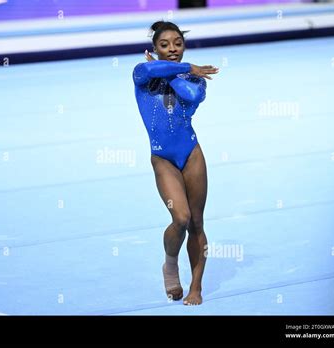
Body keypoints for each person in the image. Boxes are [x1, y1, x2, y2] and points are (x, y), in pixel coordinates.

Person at [132, 20, 219, 305]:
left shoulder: (194, 81)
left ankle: (196, 287)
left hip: (191, 154)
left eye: (178, 44)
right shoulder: (142, 75)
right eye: (165, 45)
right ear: (154, 48)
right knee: (179, 218)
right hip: (163, 158)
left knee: (196, 223)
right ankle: (170, 264)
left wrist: (181, 72)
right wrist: (185, 67)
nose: (172, 50)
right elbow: (147, 69)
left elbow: (191, 95)